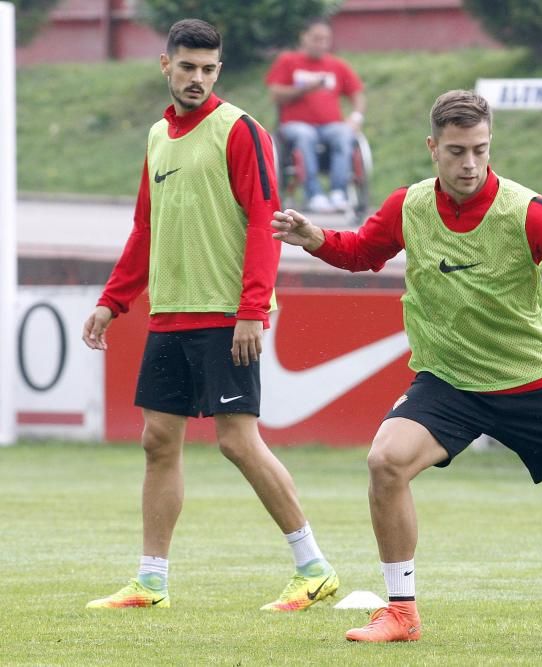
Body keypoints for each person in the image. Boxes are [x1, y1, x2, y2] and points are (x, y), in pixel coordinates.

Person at [271, 90, 542, 642]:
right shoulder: (410, 205)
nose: (469, 164)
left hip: (528, 383)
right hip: (447, 382)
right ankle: (400, 612)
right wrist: (315, 239)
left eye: (479, 149)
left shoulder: (526, 211)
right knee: (386, 463)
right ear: (433, 149)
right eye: (456, 152)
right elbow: (361, 252)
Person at [81, 18, 338, 613]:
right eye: (187, 67)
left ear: (218, 71)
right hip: (169, 314)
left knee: (238, 443)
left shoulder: (242, 129)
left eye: (208, 69)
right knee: (158, 441)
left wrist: (252, 308)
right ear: (165, 66)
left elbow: (265, 220)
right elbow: (146, 229)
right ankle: (150, 582)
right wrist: (113, 300)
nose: (197, 78)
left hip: (227, 315)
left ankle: (313, 567)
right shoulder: (156, 138)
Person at [265, 18, 365, 214]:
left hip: (330, 125)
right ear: (304, 37)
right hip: (295, 125)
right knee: (305, 135)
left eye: (325, 39)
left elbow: (357, 94)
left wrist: (356, 117)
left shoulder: (336, 65)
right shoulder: (288, 61)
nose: (321, 44)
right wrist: (303, 89)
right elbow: (275, 93)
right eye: (316, 38)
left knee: (344, 134)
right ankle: (314, 194)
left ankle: (339, 192)